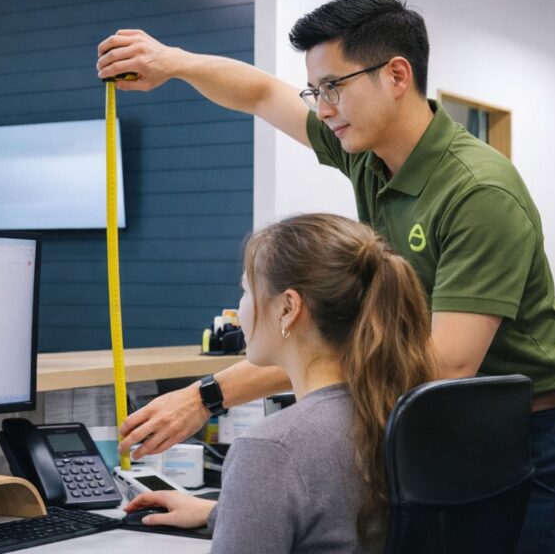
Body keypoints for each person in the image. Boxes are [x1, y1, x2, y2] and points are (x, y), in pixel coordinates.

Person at [96, 0, 555, 553]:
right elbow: (262, 93)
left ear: (396, 75)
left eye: (334, 87)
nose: (322, 107)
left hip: (538, 437)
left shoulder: (477, 191)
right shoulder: (367, 153)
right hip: (444, 424)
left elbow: (444, 363)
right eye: (316, 91)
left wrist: (211, 395)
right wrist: (174, 62)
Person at [126, 213, 437, 553]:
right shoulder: (400, 415)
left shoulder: (272, 448)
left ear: (288, 308)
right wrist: (222, 512)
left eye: (246, 290)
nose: (240, 309)